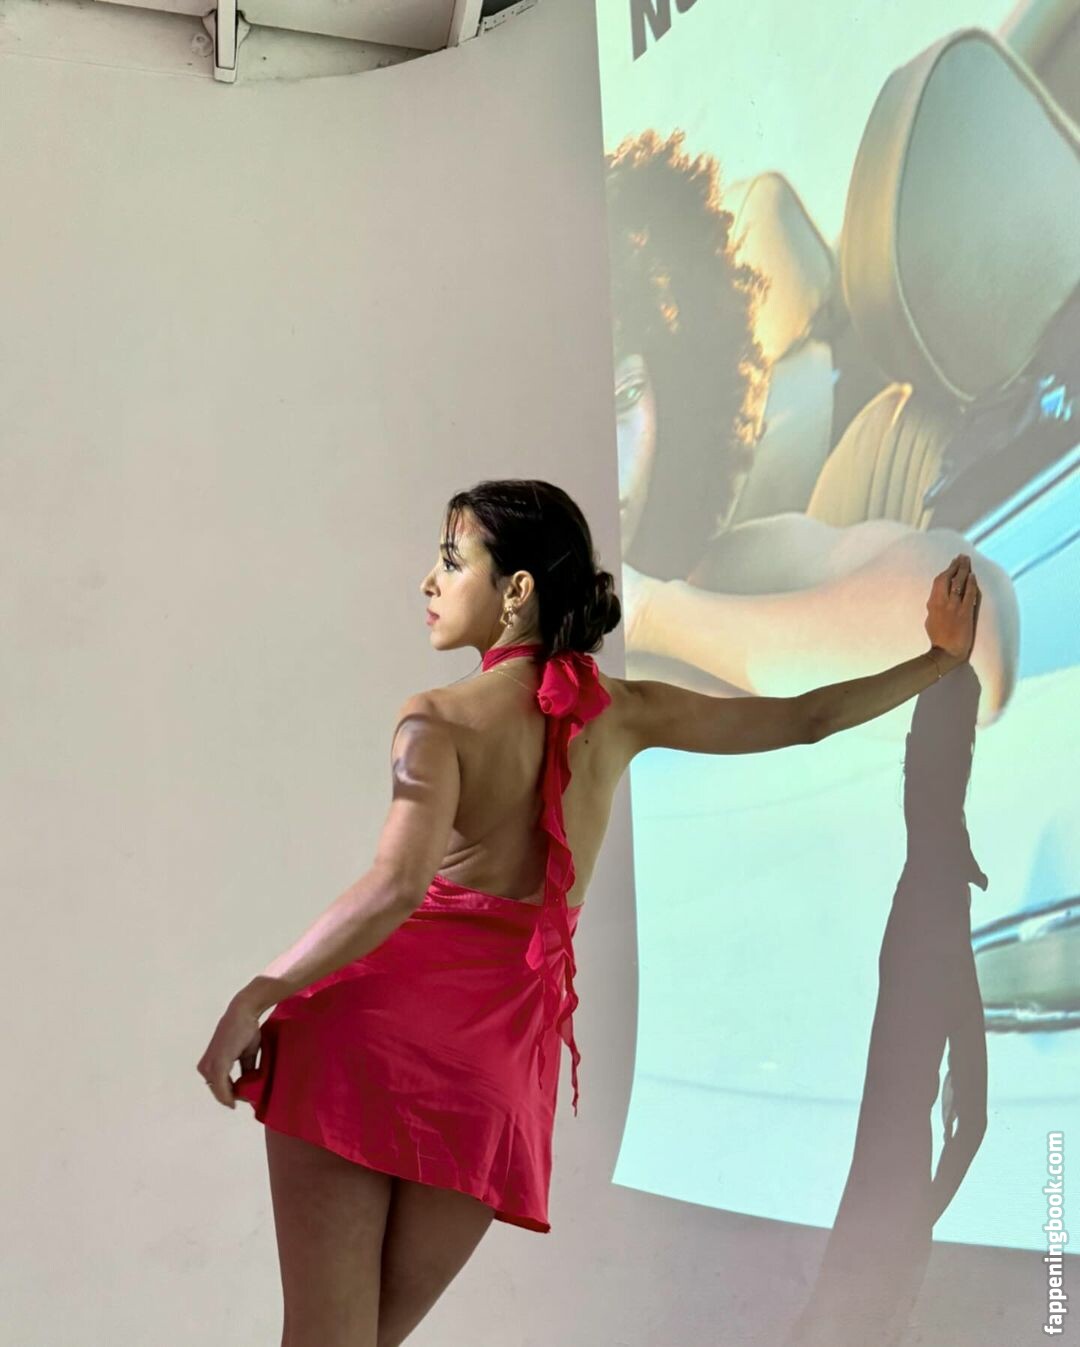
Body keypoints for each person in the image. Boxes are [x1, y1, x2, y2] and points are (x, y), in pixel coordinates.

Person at [195, 478, 981, 1347]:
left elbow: (396, 885)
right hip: (487, 1077)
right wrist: (937, 661)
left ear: (517, 590)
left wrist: (257, 994)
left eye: (451, 561)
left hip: (363, 1040)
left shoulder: (438, 719)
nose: (428, 580)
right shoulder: (625, 714)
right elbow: (806, 718)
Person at [606, 129, 1018, 726]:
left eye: (625, 395)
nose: (606, 459)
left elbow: (974, 651)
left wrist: (647, 611)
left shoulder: (715, 577)